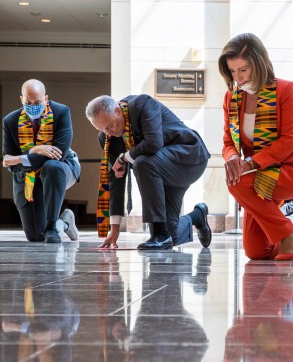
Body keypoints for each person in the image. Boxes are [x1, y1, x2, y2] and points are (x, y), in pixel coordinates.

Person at [218, 33, 293, 261]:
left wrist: (248, 164)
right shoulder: (231, 98)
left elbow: (289, 141)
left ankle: (288, 235)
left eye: (243, 70)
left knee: (236, 182)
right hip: (256, 173)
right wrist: (231, 159)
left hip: (289, 168)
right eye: (232, 71)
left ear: (259, 64)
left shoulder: (285, 90)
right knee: (257, 252)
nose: (237, 77)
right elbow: (229, 143)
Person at [86, 94, 212, 250]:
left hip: (188, 158)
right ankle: (197, 216)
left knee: (143, 162)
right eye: (102, 129)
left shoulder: (142, 104)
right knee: (172, 235)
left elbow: (153, 143)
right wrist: (114, 229)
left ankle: (159, 235)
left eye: (109, 126)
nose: (108, 133)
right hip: (159, 171)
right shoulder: (107, 138)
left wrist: (124, 157)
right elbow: (116, 179)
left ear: (118, 111)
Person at [2, 79, 80, 243]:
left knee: (52, 166)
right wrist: (34, 150)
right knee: (36, 236)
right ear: (21, 99)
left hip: (62, 168)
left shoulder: (61, 112)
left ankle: (52, 226)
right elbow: (12, 167)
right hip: (28, 177)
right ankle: (64, 222)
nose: (32, 105)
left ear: (45, 99)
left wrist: (19, 158)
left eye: (37, 101)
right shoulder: (10, 121)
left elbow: (59, 153)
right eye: (28, 101)